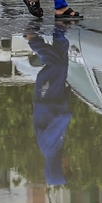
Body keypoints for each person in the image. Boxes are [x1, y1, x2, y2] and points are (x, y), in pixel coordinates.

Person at [27, 26, 73, 186]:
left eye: (65, 166)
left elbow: (57, 123)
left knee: (57, 66)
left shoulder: (48, 148)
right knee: (63, 64)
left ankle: (33, 40)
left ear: (56, 168)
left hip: (46, 98)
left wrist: (67, 116)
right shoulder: (56, 148)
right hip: (55, 98)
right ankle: (60, 33)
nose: (67, 162)